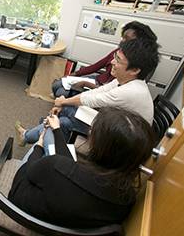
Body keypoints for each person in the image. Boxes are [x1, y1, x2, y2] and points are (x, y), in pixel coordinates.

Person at [9, 107, 155, 229]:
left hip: (24, 209)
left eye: (93, 132)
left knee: (41, 142)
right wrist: (57, 130)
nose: (90, 134)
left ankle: (29, 137)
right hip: (67, 225)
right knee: (50, 134)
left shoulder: (55, 166)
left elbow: (32, 170)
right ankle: (31, 135)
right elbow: (68, 169)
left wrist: (39, 147)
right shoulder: (127, 198)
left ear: (102, 147)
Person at [17, 36, 159, 143]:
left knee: (67, 110)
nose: (112, 62)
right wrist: (63, 102)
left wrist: (61, 103)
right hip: (115, 127)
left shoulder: (131, 91)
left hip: (121, 141)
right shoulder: (127, 81)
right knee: (64, 122)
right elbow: (97, 92)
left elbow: (90, 99)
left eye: (118, 60)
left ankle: (33, 133)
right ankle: (35, 136)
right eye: (115, 57)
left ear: (134, 70)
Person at [52, 21, 158, 97]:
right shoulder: (118, 52)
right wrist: (75, 74)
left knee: (60, 92)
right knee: (58, 83)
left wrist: (86, 83)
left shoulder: (134, 66)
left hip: (101, 88)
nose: (122, 41)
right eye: (123, 37)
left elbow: (111, 91)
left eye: (127, 39)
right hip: (99, 80)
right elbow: (97, 65)